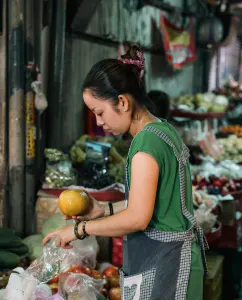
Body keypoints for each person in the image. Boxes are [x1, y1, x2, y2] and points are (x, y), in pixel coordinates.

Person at [42, 45, 207, 299]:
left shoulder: (145, 145)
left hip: (168, 267)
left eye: (100, 112)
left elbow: (138, 218)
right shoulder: (162, 130)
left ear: (122, 102)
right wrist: (103, 211)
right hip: (174, 260)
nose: (99, 122)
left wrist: (79, 230)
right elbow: (150, 205)